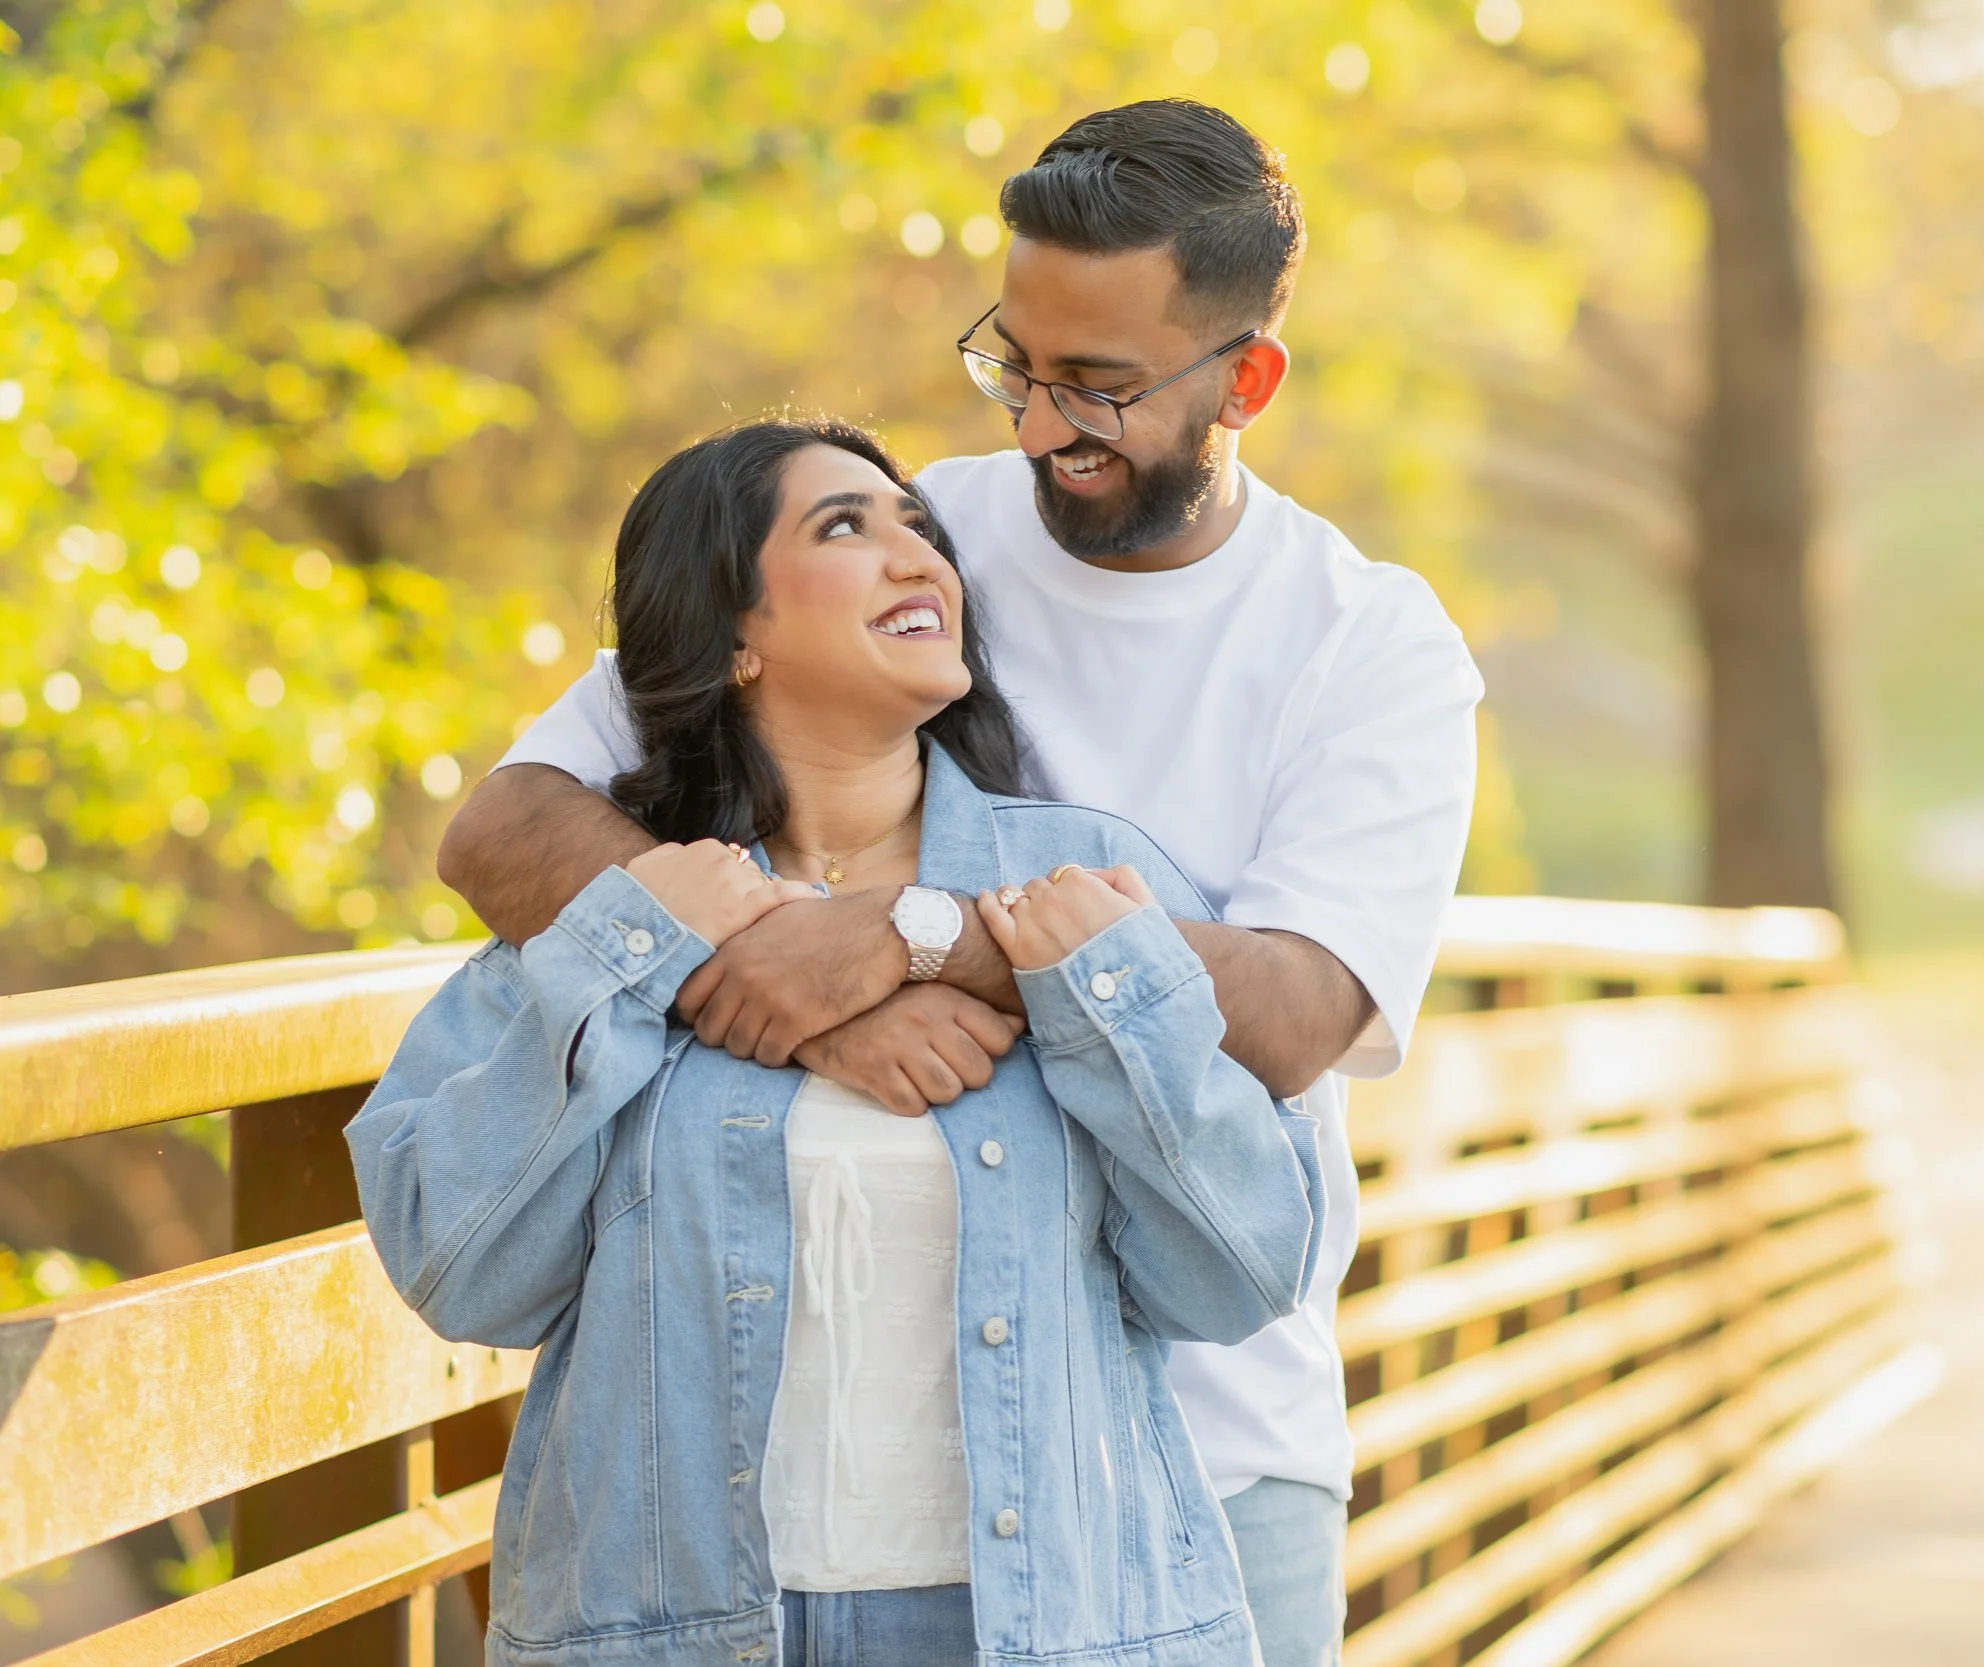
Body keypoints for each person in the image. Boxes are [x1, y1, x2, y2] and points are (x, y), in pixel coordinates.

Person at [439, 101, 1483, 1665]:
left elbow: (1292, 1008)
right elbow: (512, 828)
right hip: (838, 1511)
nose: (1039, 425)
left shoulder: (1364, 643)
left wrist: (926, 939)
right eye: (1016, 361)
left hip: (1213, 1441)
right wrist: (798, 983)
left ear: (1246, 378)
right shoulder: (910, 543)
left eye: (1102, 388)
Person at [352, 418, 1325, 1666]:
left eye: (918, 527)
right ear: (735, 635)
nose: (915, 555)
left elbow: (1243, 1267)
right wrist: (643, 955)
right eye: (845, 526)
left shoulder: (1087, 889)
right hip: (680, 1635)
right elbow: (464, 1270)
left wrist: (1084, 988)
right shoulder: (632, 915)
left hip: (1040, 1629)